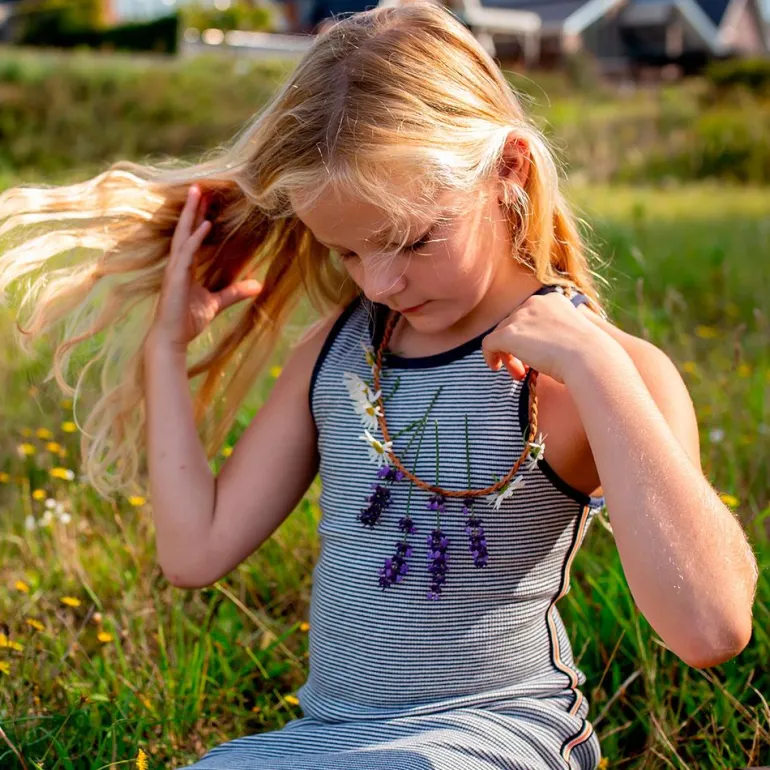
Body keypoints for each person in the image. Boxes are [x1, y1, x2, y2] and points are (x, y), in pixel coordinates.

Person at [0, 3, 758, 768]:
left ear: (510, 170)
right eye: (349, 253)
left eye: (412, 239)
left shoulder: (603, 368)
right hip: (325, 742)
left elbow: (710, 628)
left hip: (492, 739)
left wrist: (598, 368)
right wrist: (167, 348)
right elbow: (195, 550)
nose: (383, 281)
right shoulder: (338, 353)